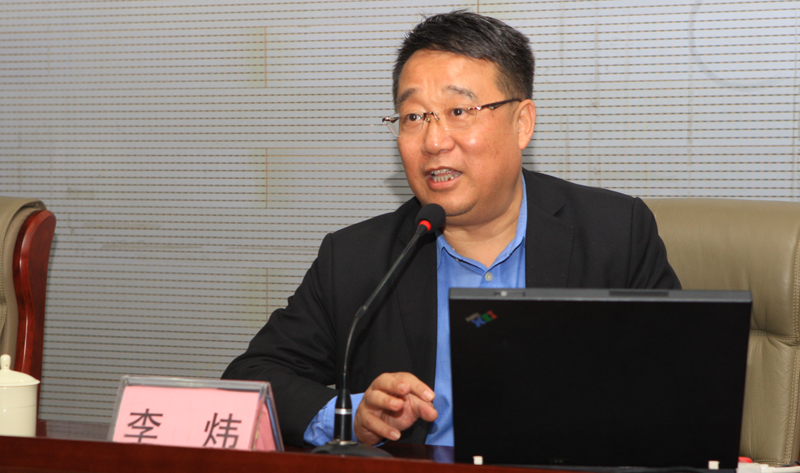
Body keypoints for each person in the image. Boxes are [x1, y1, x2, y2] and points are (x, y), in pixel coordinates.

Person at [222, 10, 680, 448]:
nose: (434, 141)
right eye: (414, 117)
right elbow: (253, 377)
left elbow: (680, 386)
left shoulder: (615, 233)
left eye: (459, 111)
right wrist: (351, 416)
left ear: (522, 123)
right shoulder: (356, 258)